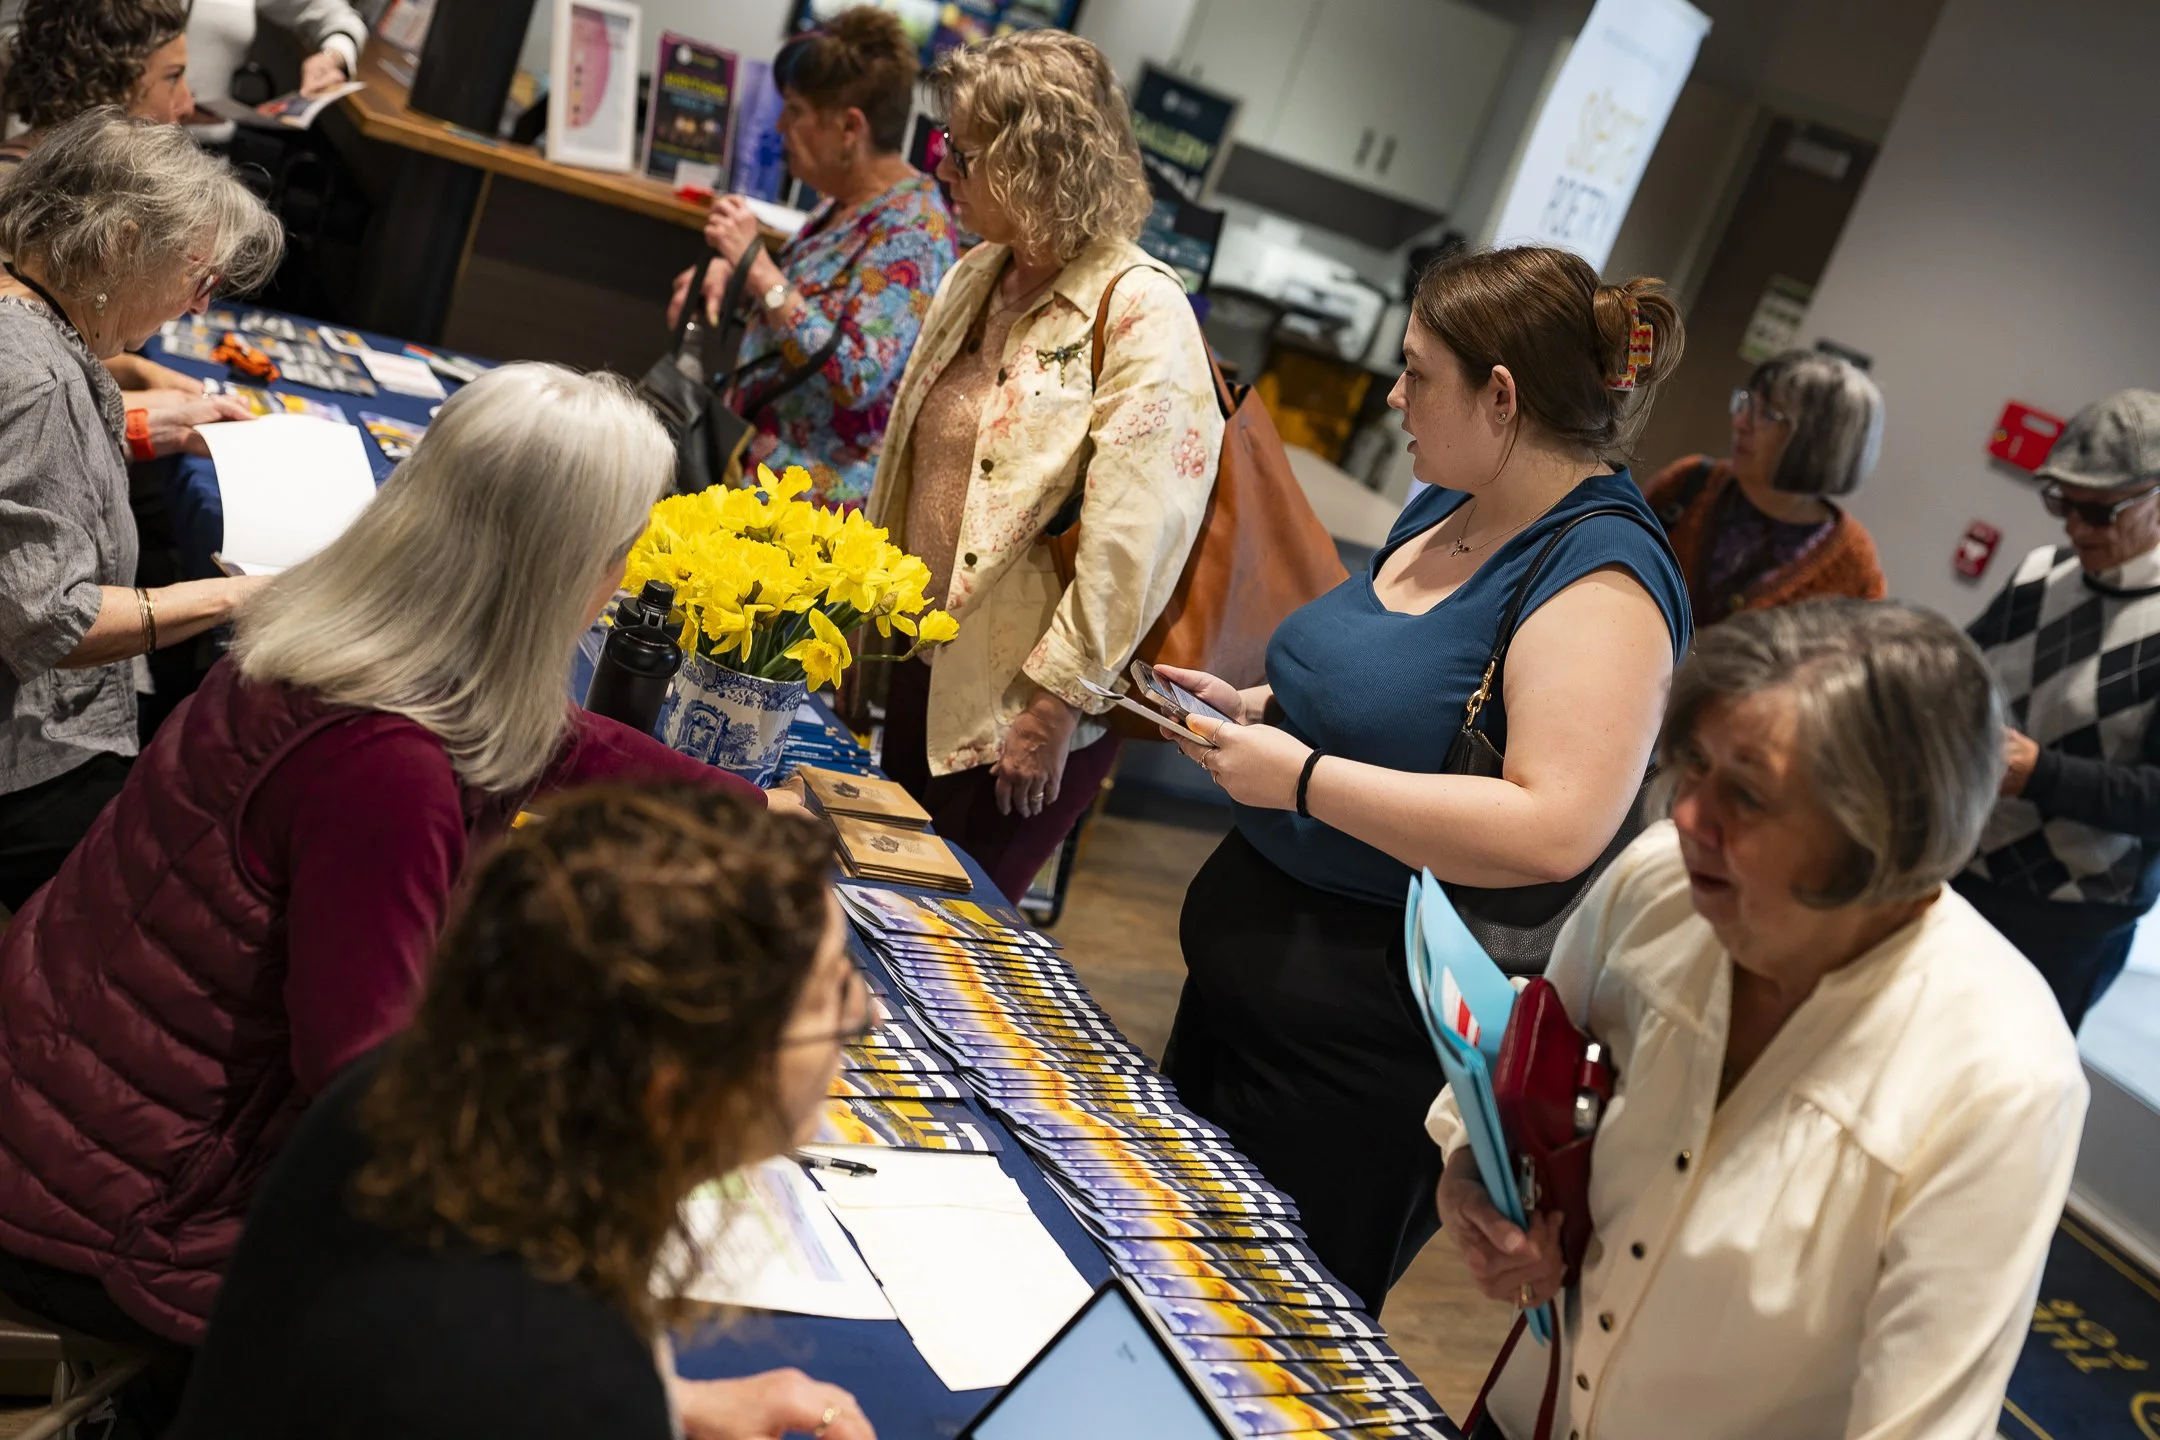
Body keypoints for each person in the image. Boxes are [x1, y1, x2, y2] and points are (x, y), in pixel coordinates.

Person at [0, 363, 783, 1432]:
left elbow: (521, 730)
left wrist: (733, 803)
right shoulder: (384, 769)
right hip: (122, 1217)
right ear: (569, 575)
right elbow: (374, 1096)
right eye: (620, 553)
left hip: (58, 1116)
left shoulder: (335, 628)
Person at [1158, 246, 1692, 1313]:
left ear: (1501, 396)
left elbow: (1554, 825)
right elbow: (1405, 710)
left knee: (1257, 1342)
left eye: (1417, 372)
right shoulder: (1451, 501)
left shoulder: (1603, 577)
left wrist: (1302, 779)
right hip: (1246, 991)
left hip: (1363, 1049)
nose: (1393, 396)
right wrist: (1263, 715)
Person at [1434, 601, 2087, 1439]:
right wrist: (1475, 1182)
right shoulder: (1657, 883)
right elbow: (1514, 1076)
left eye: (1746, 794)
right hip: (1532, 1410)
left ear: (1883, 830)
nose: (1691, 817)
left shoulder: (2000, 1074)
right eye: (1694, 766)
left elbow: (1917, 1423)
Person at [171, 785, 875, 1440]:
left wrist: (673, 1407)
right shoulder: (560, 1380)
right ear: (677, 1094)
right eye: (824, 998)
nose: (864, 1012)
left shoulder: (399, 1090)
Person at [865, 29, 1224, 902]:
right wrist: (867, 631)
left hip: (1015, 709)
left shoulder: (1140, 308)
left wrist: (1058, 706)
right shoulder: (976, 274)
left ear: (1038, 160)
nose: (940, 164)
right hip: (923, 669)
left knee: (947, 935)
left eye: (964, 149)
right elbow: (911, 466)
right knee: (873, 901)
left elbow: (1134, 538)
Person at [0, 110, 278, 908]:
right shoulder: (38, 380)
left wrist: (151, 428)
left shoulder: (30, 320)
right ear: (122, 243)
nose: (196, 307)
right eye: (197, 277)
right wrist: (243, 595)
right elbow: (55, 625)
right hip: (32, 764)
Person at [667, 8, 957, 508]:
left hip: (808, 514)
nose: (780, 125)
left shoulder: (914, 230)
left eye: (796, 111)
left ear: (850, 127)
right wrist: (729, 278)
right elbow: (805, 308)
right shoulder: (842, 202)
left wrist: (756, 268)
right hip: (750, 474)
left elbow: (857, 373)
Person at [1959, 389, 2160, 1031]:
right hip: (1960, 873)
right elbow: (1960, 673)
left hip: (2066, 923)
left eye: (2098, 511)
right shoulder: (2040, 573)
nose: (2074, 526)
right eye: (2061, 502)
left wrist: (2038, 773)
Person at [1, 2, 248, 397]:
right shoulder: (14, 196)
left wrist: (135, 373)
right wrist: (139, 418)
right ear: (106, 86)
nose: (185, 104)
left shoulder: (75, 186)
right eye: (172, 78)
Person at [1643, 348, 1887, 627]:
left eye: (1768, 415)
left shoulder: (1853, 567)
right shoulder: (1687, 483)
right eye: (1747, 403)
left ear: (1819, 443)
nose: (1740, 423)